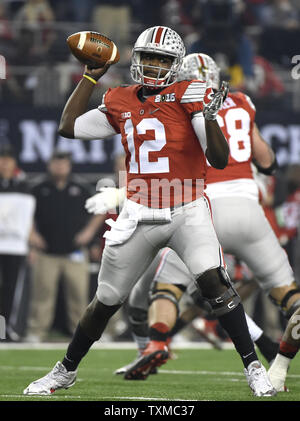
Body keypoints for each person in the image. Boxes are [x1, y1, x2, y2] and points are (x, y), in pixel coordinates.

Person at [23, 26, 275, 397]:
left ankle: (254, 367)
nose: (155, 65)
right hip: (139, 210)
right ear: (136, 60)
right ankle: (65, 370)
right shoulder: (120, 98)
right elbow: (68, 127)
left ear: (176, 65)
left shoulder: (192, 93)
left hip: (188, 207)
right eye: (149, 58)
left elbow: (219, 160)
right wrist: (91, 76)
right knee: (105, 301)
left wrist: (208, 119)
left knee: (214, 282)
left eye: (163, 60)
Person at [88, 53, 300, 386]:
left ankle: (157, 344)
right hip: (250, 208)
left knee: (169, 289)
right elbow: (268, 161)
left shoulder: (178, 103)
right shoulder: (242, 101)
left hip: (201, 207)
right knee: (284, 296)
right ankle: (276, 358)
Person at [24, 150, 105, 342]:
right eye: (56, 163)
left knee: (79, 296)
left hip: (75, 252)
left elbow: (100, 209)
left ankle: (81, 334)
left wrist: (89, 234)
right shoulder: (38, 188)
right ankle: (37, 331)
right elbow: (25, 214)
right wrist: (32, 235)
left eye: (63, 163)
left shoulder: (81, 188)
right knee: (42, 295)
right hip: (46, 252)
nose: (60, 167)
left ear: (69, 166)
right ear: (49, 165)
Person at [0, 144, 35, 341]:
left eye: (8, 159)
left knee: (11, 290)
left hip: (15, 245)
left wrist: (30, 242)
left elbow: (28, 217)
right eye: (1, 159)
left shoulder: (23, 186)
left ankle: (5, 329)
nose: (4, 163)